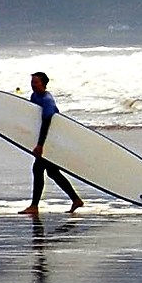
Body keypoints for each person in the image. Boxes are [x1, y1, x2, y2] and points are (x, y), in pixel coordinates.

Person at [16, 71, 85, 217]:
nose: (33, 85)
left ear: (44, 84)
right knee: (52, 172)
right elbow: (34, 119)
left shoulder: (47, 100)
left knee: (39, 169)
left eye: (36, 83)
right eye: (32, 82)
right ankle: (76, 200)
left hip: (52, 140)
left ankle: (34, 206)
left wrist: (40, 145)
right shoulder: (35, 96)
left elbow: (47, 121)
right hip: (46, 139)